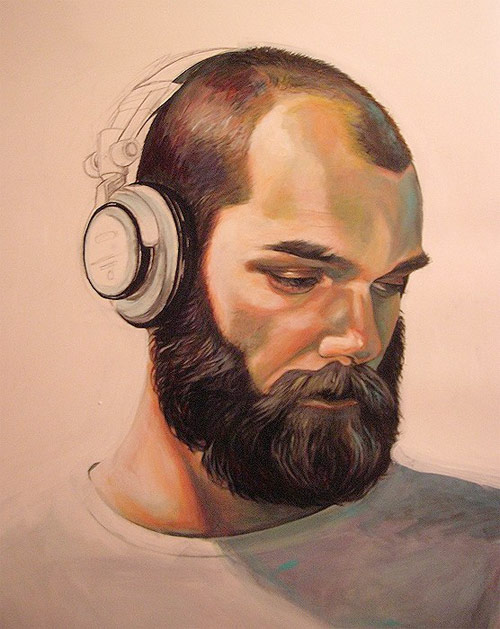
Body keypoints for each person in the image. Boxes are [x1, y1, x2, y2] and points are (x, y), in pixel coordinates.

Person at [2, 47, 499, 628]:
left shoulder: (482, 563)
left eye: (389, 285)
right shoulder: (18, 572)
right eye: (297, 279)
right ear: (155, 268)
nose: (361, 340)